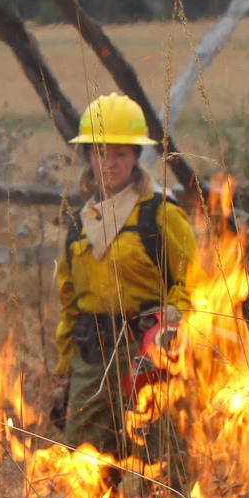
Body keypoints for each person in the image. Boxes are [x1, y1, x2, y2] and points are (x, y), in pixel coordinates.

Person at [51, 92, 195, 460]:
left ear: (135, 158)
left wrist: (168, 328)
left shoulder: (160, 215)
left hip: (148, 355)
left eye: (120, 154)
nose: (110, 164)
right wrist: (64, 373)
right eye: (101, 153)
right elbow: (69, 304)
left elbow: (193, 283)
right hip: (91, 356)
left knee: (162, 464)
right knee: (86, 467)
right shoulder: (80, 223)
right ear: (88, 158)